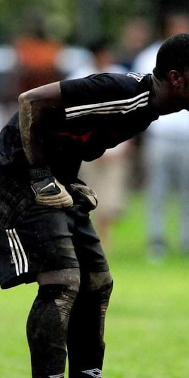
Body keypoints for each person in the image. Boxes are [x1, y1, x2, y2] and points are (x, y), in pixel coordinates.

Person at [0, 33, 189, 378]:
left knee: (97, 283)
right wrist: (40, 176)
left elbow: (67, 132)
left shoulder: (145, 110)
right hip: (14, 177)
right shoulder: (121, 92)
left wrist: (69, 179)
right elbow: (31, 103)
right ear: (176, 78)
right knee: (61, 282)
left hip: (54, 179)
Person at [132, 13, 189, 260]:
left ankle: (188, 240)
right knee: (157, 192)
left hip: (188, 136)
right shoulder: (149, 57)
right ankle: (156, 240)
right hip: (160, 135)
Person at [68, 40, 132, 251]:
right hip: (86, 148)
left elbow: (131, 113)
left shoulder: (121, 76)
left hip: (114, 148)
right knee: (87, 196)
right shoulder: (79, 78)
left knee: (111, 199)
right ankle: (90, 238)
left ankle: (105, 239)